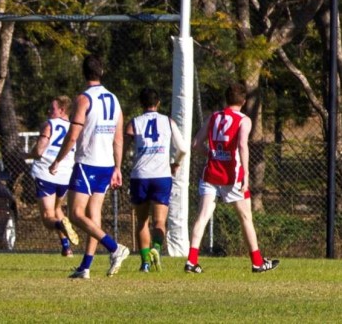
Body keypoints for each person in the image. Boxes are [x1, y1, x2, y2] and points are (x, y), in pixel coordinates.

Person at [184, 82, 279, 274]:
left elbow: (195, 144)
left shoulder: (214, 117)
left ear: (226, 99)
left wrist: (211, 154)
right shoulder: (243, 120)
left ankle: (191, 261)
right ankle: (257, 262)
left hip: (210, 174)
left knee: (202, 217)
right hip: (232, 176)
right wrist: (245, 176)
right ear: (243, 101)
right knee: (245, 217)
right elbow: (243, 146)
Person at [49, 54, 129, 279]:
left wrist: (58, 160)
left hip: (87, 163)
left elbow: (73, 135)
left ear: (83, 74)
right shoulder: (114, 100)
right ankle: (85, 267)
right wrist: (118, 168)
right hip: (106, 165)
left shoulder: (84, 99)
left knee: (75, 214)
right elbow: (119, 138)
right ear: (101, 72)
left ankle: (115, 248)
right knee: (93, 215)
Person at [124, 87, 187, 272]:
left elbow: (122, 146)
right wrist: (176, 163)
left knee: (142, 221)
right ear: (158, 103)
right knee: (159, 222)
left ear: (140, 104)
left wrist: (117, 167)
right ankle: (156, 249)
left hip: (140, 176)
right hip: (162, 176)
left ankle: (144, 263)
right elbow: (182, 148)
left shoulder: (134, 123)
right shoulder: (168, 121)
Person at [29, 96, 80, 257]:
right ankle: (66, 248)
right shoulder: (75, 128)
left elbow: (39, 151)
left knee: (47, 217)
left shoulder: (49, 125)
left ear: (62, 110)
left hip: (46, 173)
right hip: (65, 176)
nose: (49, 111)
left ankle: (60, 225)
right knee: (58, 209)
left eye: (52, 109)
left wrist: (28, 154)